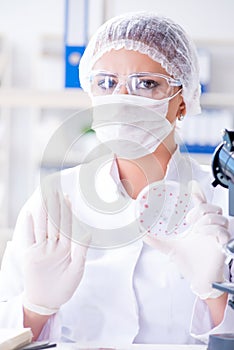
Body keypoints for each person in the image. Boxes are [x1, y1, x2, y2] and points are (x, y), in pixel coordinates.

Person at [0, 11, 234, 347]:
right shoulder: (55, 197)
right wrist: (35, 308)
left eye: (146, 84)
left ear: (182, 102)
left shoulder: (222, 202)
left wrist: (215, 295)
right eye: (106, 82)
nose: (121, 98)